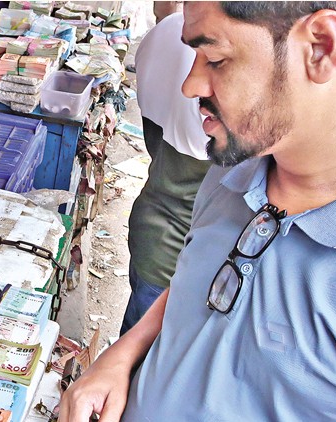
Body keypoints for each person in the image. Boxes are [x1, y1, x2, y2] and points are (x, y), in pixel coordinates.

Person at [56, 2, 336, 422]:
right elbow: (200, 284)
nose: (192, 81)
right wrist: (125, 353)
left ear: (320, 46)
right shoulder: (236, 173)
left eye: (214, 57)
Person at [120, 1, 211, 334]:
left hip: (151, 233)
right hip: (174, 260)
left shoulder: (164, 33)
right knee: (140, 361)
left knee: (132, 350)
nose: (195, 84)